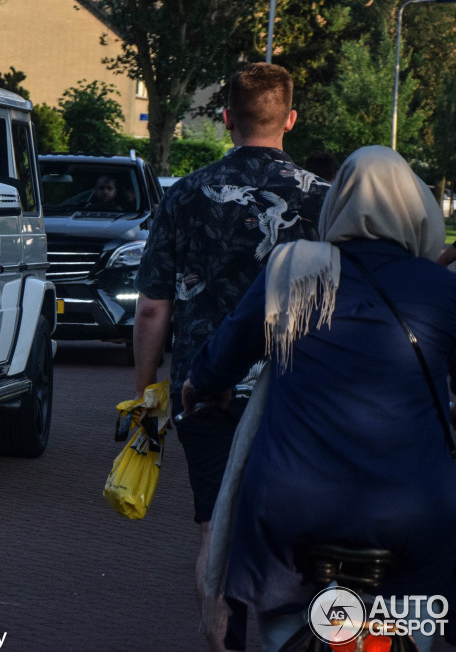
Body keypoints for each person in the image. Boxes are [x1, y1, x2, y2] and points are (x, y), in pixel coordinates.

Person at [183, 146, 456, 652]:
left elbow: (227, 353)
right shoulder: (441, 288)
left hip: (292, 509)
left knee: (282, 628)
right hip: (413, 513)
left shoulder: (293, 269)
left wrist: (202, 387)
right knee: (414, 618)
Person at [132, 62, 330, 652]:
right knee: (294, 535)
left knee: (212, 535)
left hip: (205, 390)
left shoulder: (185, 194)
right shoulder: (321, 200)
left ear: (225, 120)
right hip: (296, 395)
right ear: (290, 119)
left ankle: (220, 643)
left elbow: (151, 309)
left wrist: (148, 393)